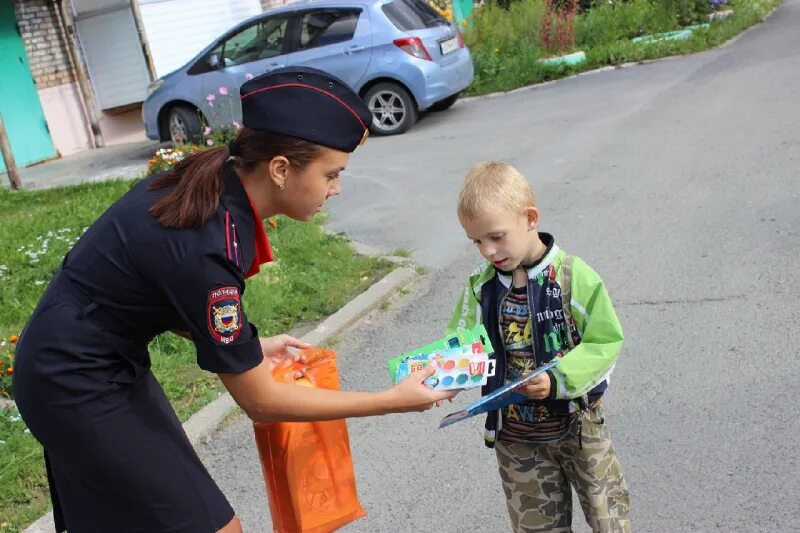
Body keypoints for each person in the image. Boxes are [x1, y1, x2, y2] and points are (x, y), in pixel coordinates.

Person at [12, 67, 456, 533]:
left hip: (92, 358)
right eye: (331, 174)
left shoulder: (217, 184)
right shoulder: (210, 240)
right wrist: (392, 401)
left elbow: (161, 287)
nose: (336, 189)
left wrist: (246, 347)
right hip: (71, 378)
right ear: (281, 169)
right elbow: (261, 402)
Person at [446, 161, 630, 532]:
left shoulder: (573, 276)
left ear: (529, 218)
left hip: (579, 428)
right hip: (517, 440)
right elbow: (465, 343)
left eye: (496, 236)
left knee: (610, 519)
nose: (486, 250)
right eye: (477, 241)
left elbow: (604, 340)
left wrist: (558, 380)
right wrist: (446, 377)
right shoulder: (481, 287)